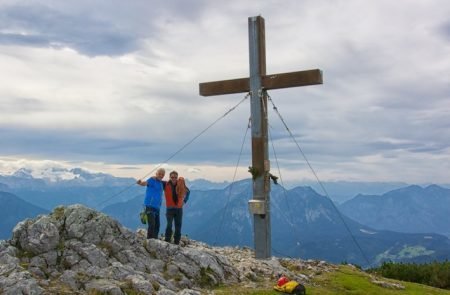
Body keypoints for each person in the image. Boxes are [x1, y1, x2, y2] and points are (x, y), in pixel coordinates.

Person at [137, 168, 165, 239]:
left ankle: (154, 239)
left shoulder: (161, 183)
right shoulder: (152, 180)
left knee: (157, 225)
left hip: (157, 207)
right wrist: (140, 183)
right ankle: (149, 240)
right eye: (159, 174)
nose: (161, 175)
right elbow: (145, 183)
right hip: (149, 205)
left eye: (162, 174)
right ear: (156, 174)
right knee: (152, 224)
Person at [164, 171, 190, 245]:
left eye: (175, 177)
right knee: (169, 225)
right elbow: (158, 180)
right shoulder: (166, 184)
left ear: (177, 177)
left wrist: (184, 201)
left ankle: (176, 242)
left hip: (179, 209)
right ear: (170, 177)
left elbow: (188, 192)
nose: (174, 179)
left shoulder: (181, 184)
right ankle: (167, 240)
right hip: (169, 209)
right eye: (172, 177)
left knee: (178, 226)